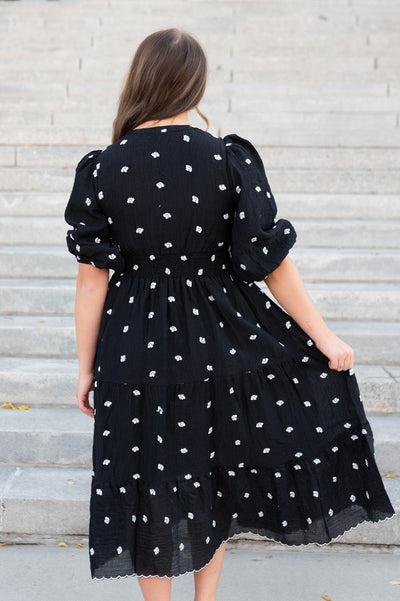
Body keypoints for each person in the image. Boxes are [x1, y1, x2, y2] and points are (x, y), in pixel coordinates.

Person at [64, 27, 395, 601]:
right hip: (219, 340)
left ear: (139, 81)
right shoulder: (225, 158)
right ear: (194, 83)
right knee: (211, 476)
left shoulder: (103, 169)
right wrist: (323, 337)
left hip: (133, 345)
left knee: (149, 480)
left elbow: (92, 284)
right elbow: (271, 262)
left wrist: (85, 366)